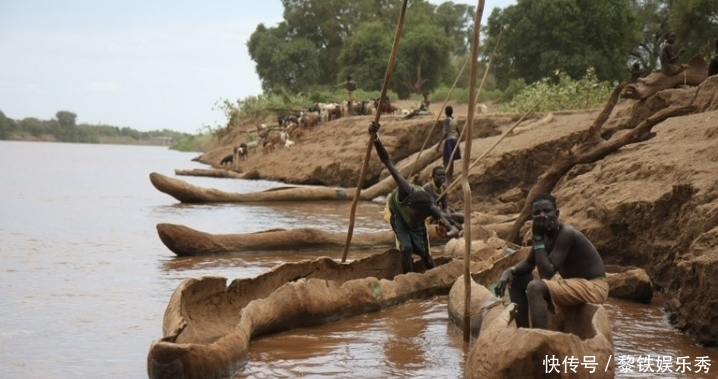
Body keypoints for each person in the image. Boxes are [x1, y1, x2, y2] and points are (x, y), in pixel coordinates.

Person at [494, 194, 608, 329]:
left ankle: (539, 338)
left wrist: (537, 238)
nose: (542, 215)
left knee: (535, 287)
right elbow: (530, 263)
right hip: (574, 283)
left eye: (547, 211)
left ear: (557, 214)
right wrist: (509, 271)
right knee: (517, 278)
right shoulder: (546, 235)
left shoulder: (567, 233)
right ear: (532, 218)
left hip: (594, 287)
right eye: (537, 213)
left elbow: (546, 274)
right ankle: (522, 331)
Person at [369, 121, 459, 274]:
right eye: (416, 214)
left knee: (427, 257)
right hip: (397, 215)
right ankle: (408, 278)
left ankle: (433, 277)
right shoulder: (406, 190)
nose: (417, 216)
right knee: (407, 249)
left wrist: (446, 234)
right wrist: (376, 138)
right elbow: (386, 161)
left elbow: (454, 230)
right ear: (410, 206)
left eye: (421, 216)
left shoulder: (431, 208)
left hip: (416, 226)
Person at [436, 105, 461, 183]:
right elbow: (459, 132)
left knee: (446, 161)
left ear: (445, 112)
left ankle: (448, 180)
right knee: (451, 161)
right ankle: (451, 179)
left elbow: (446, 133)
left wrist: (439, 143)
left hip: (449, 141)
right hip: (454, 140)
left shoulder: (446, 120)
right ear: (452, 112)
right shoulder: (454, 120)